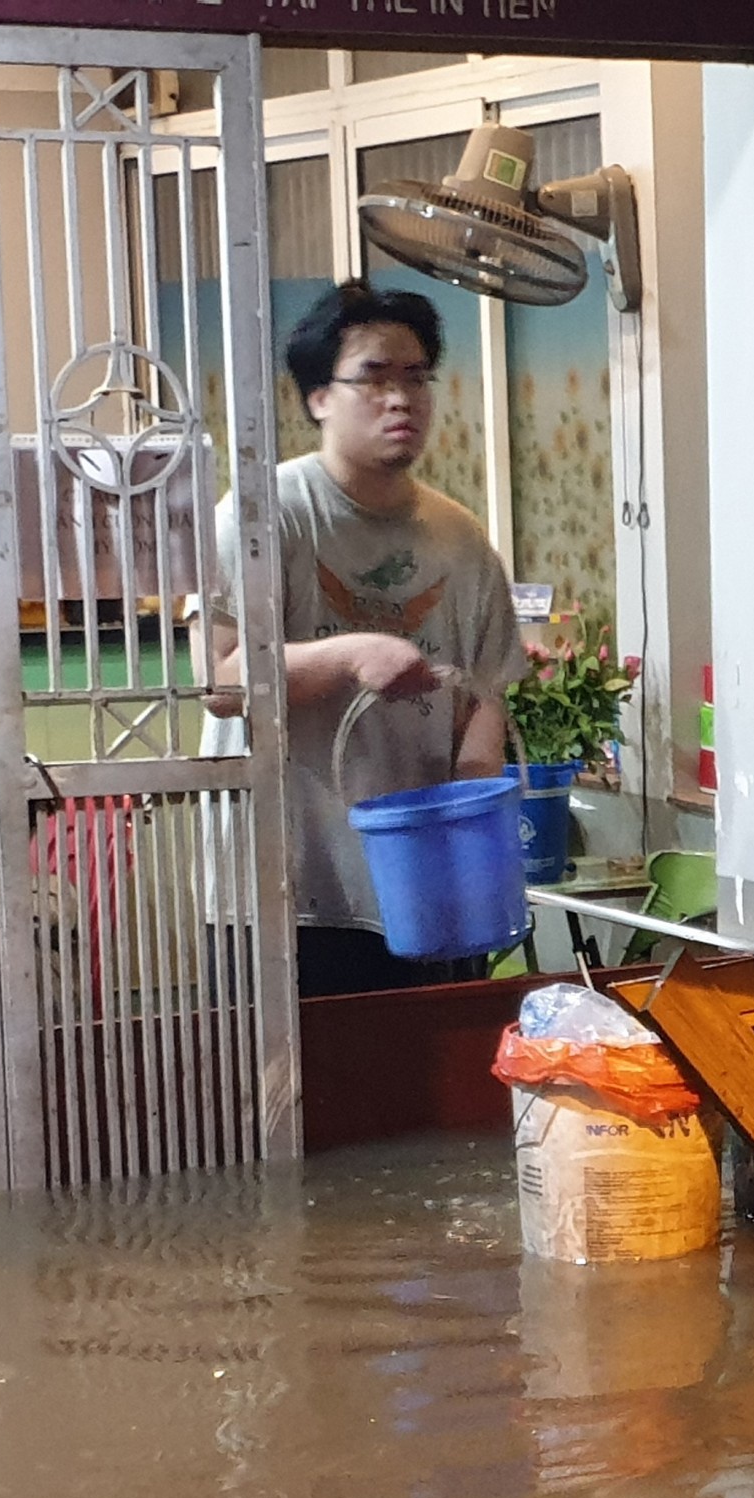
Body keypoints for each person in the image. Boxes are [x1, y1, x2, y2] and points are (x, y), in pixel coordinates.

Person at [206, 279, 527, 998]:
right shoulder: (264, 518)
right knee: (292, 1105)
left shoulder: (460, 537)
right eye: (374, 378)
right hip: (285, 893)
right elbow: (222, 681)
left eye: (416, 377)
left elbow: (487, 695)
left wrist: (476, 796)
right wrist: (350, 655)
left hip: (426, 888)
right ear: (319, 396)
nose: (401, 399)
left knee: (430, 1099)